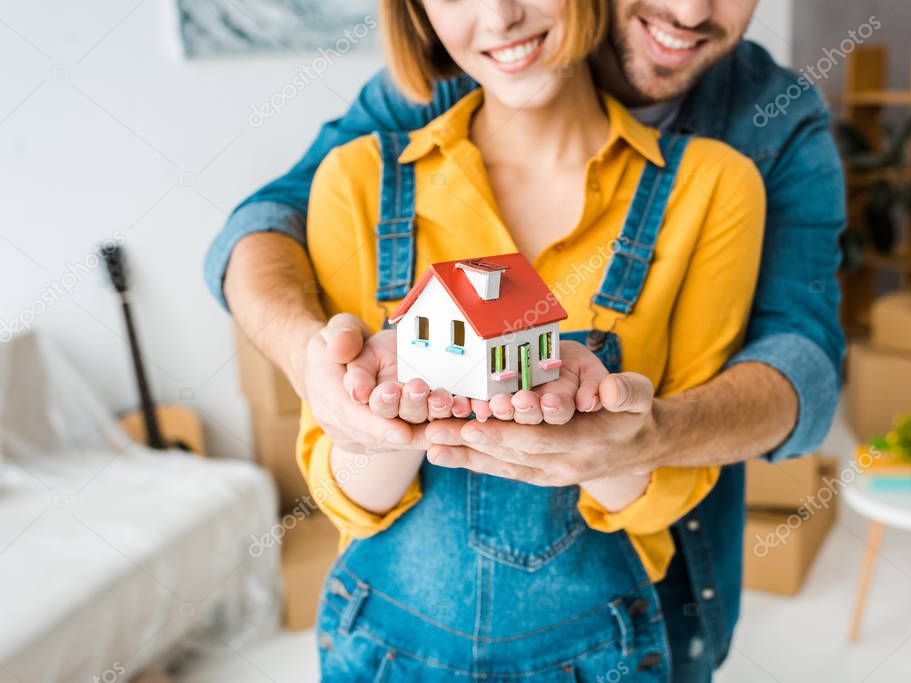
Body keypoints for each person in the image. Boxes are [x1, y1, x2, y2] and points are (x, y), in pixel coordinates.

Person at [204, 0, 845, 676]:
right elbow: (342, 481)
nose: (501, 15)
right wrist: (358, 400)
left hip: (610, 646)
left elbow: (795, 362)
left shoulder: (732, 166)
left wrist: (635, 437)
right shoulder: (365, 171)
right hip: (384, 650)